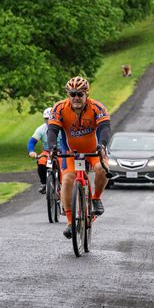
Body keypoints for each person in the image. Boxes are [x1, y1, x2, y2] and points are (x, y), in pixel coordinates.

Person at [47, 76, 111, 239]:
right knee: (68, 180)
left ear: (86, 94)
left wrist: (102, 145)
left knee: (102, 169)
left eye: (80, 94)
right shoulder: (59, 108)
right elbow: (52, 130)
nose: (76, 98)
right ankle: (70, 222)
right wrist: (53, 146)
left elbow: (105, 128)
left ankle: (96, 199)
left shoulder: (97, 107)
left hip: (94, 151)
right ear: (68, 94)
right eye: (73, 94)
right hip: (70, 152)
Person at [27, 107, 54, 194]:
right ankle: (44, 183)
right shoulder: (41, 129)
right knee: (41, 161)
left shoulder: (62, 127)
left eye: (50, 119)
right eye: (46, 119)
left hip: (62, 151)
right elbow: (32, 141)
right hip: (47, 151)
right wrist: (31, 151)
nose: (48, 121)